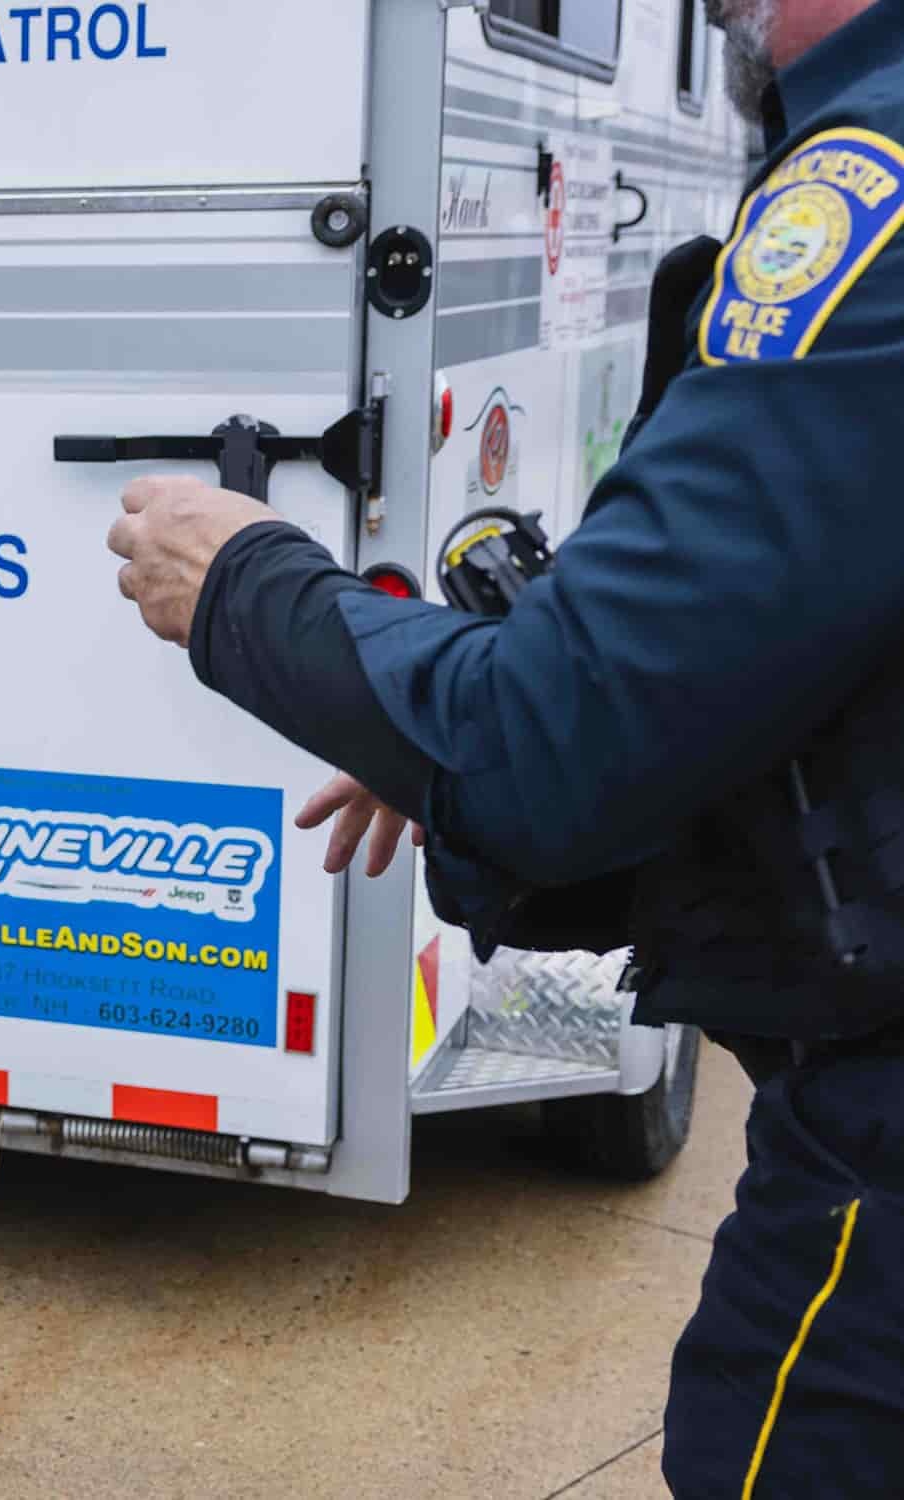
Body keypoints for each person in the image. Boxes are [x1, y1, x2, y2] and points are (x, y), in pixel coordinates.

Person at [105, 1, 904, 1493]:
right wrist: (449, 723)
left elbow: (558, 738)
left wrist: (243, 585)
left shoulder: (872, 195)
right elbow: (753, 681)